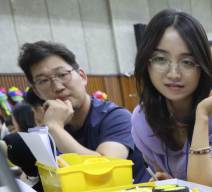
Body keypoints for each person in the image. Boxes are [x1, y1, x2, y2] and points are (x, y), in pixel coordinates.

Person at [131, 9, 212, 192]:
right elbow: (165, 176)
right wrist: (169, 183)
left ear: (201, 66)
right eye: (161, 59)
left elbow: (205, 186)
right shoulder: (142, 119)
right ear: (147, 62)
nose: (174, 74)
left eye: (186, 62)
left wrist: (203, 114)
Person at [18, 41, 150, 183]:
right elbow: (29, 179)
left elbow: (106, 169)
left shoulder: (116, 116)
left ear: (82, 77)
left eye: (62, 75)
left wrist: (55, 129)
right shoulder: (51, 123)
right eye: (43, 81)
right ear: (37, 92)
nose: (57, 87)